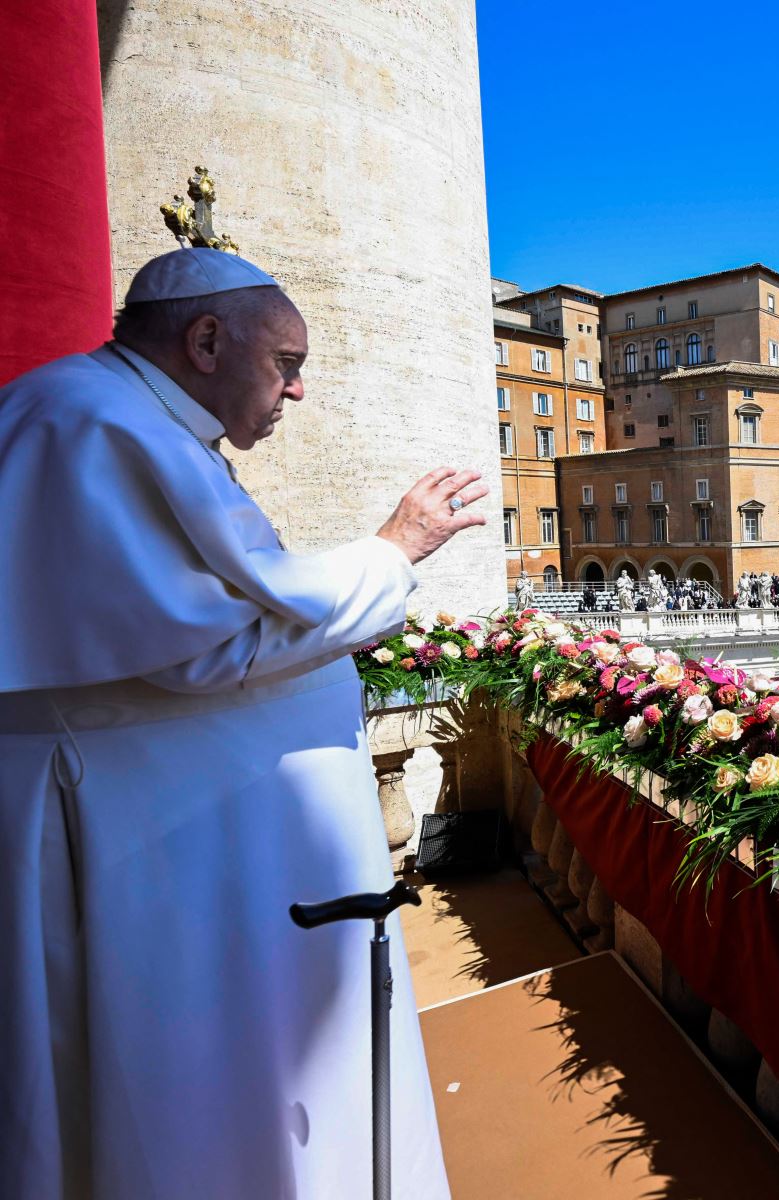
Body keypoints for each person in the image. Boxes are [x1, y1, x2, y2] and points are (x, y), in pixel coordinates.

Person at [0, 248, 473, 1199]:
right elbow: (215, 643)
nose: (297, 390)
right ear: (207, 339)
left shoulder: (119, 417)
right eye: (285, 362)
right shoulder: (95, 423)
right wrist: (394, 550)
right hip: (145, 842)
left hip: (175, 829)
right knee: (175, 1098)